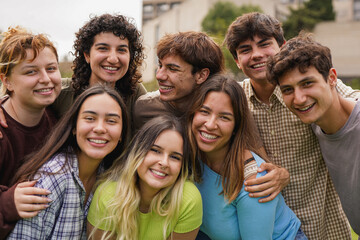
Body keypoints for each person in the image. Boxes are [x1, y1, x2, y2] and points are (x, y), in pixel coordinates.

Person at [224, 12, 360, 239]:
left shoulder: (306, 93)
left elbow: (348, 101)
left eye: (264, 44)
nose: (256, 55)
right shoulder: (234, 101)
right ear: (237, 60)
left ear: (282, 46)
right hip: (272, 230)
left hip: (324, 229)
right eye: (245, 50)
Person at [187, 74, 305, 240]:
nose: (210, 124)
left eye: (224, 117)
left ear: (236, 125)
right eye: (204, 111)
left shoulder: (255, 181)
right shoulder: (186, 158)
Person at [7, 84, 128, 239]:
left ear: (121, 134)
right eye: (90, 118)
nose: (99, 128)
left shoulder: (109, 178)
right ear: (74, 127)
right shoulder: (51, 178)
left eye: (111, 121)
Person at [267, 34, 360, 235]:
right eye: (288, 90)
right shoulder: (316, 124)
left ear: (332, 78)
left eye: (307, 83)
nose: (299, 99)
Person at [0, 13, 146, 136]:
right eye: (103, 48)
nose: (113, 59)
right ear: (87, 55)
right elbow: (21, 95)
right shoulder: (61, 91)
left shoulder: (136, 93)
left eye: (122, 50)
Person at [87, 115, 202, 240]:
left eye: (175, 157)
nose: (164, 163)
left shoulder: (187, 199)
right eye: (155, 150)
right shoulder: (108, 195)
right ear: (137, 152)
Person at [0, 26, 61, 238]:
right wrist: (7, 204)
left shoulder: (57, 118)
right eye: (31, 71)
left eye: (51, 68)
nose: (45, 79)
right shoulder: (3, 135)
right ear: (7, 81)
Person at [132, 31, 224, 130]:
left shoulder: (226, 108)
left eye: (172, 69)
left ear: (201, 75)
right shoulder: (145, 109)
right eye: (160, 65)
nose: (159, 76)